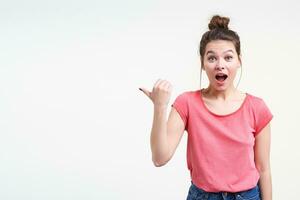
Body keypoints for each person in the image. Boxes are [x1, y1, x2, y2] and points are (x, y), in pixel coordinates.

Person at [139, 15, 273, 200]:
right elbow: (159, 158)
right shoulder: (187, 103)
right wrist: (160, 107)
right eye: (212, 58)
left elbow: (263, 169)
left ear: (239, 61)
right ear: (202, 63)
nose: (220, 65)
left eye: (228, 57)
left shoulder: (257, 108)